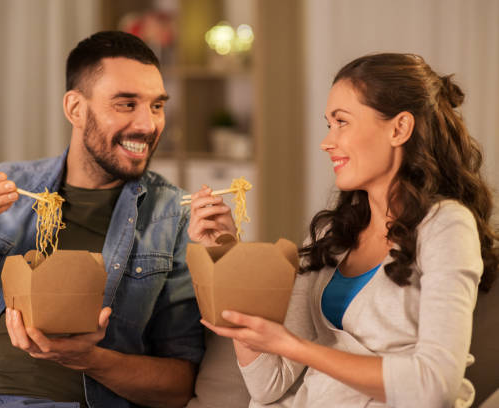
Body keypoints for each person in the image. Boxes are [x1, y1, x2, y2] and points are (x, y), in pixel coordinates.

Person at [0, 31, 204, 408]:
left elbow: (179, 386)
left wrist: (88, 360)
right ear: (75, 109)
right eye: (127, 104)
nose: (148, 124)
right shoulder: (7, 184)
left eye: (157, 106)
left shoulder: (170, 216)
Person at [188, 53, 498, 407]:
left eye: (341, 122)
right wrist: (229, 256)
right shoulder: (331, 236)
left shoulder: (446, 225)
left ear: (399, 128)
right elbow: (268, 384)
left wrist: (296, 348)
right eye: (328, 124)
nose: (327, 142)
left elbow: (435, 387)